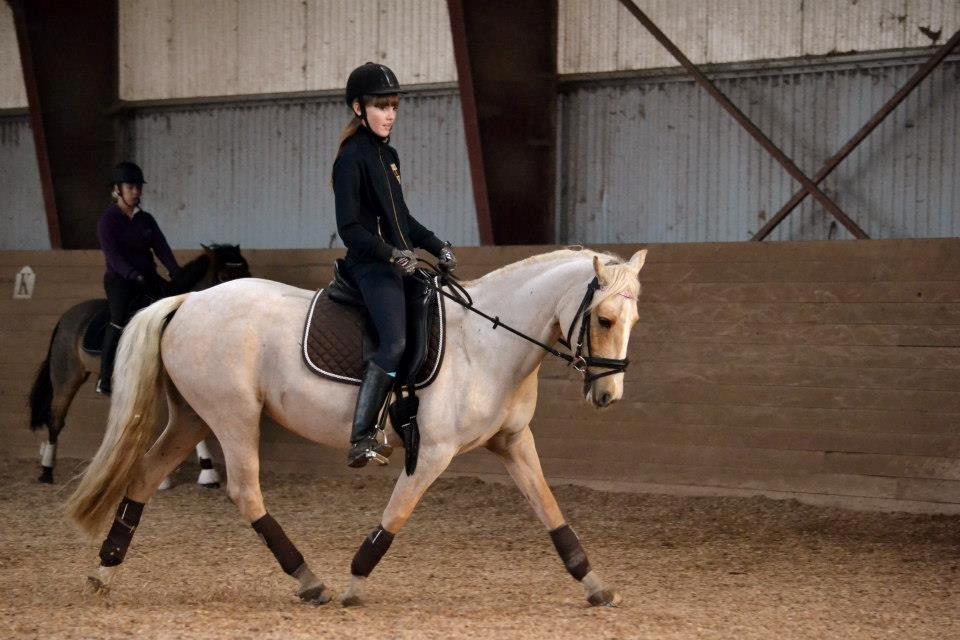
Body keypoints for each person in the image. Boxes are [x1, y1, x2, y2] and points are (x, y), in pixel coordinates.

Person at [333, 62, 457, 468]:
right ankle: (362, 433)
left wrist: (437, 245)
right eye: (381, 106)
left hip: (400, 263)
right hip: (371, 266)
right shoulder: (350, 159)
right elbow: (350, 229)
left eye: (394, 107)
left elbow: (402, 219)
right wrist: (390, 254)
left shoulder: (388, 155)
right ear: (358, 108)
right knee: (395, 342)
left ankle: (408, 413)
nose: (389, 115)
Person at [96, 161, 179, 395]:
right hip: (120, 280)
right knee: (118, 319)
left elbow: (161, 248)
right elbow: (113, 257)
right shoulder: (107, 221)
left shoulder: (146, 220)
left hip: (148, 276)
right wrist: (133, 275)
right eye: (130, 187)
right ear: (117, 190)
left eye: (137, 187)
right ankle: (105, 378)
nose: (135, 192)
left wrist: (174, 270)